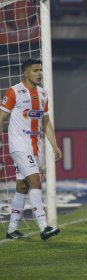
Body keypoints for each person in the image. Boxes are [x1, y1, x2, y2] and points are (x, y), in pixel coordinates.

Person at [0, 59, 62, 241]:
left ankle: (12, 230)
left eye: (41, 70)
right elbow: (1, 117)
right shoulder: (13, 92)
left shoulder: (43, 94)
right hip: (19, 145)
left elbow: (46, 122)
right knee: (35, 180)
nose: (40, 73)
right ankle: (44, 227)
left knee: (23, 186)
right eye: (35, 70)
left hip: (35, 145)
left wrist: (54, 145)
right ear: (25, 73)